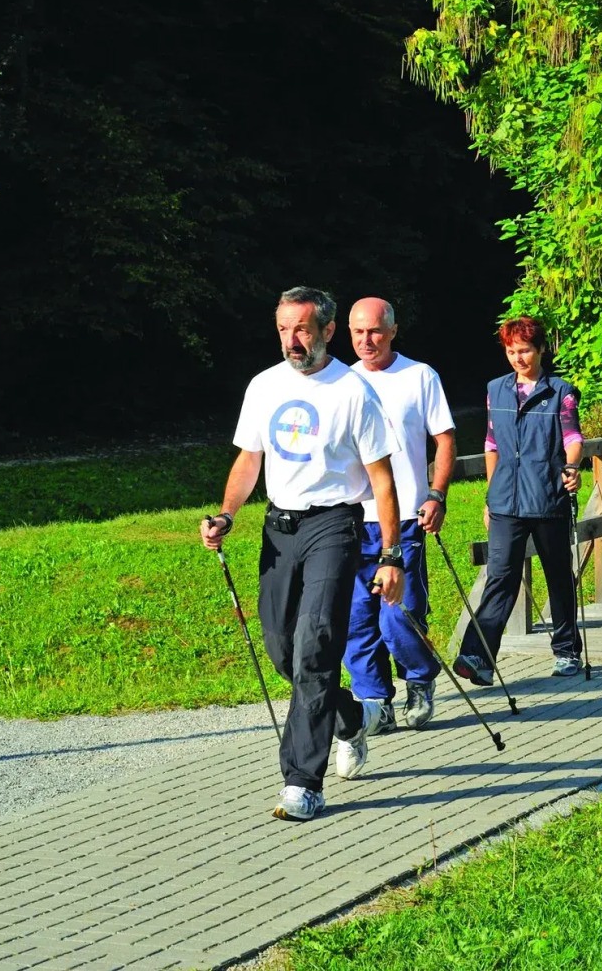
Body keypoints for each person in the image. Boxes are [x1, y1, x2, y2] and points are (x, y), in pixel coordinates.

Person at [201, 286, 404, 823]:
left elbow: (383, 482)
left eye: (302, 330)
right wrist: (227, 515)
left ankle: (301, 782)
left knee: (316, 646)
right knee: (282, 651)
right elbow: (250, 460)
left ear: (327, 331)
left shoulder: (354, 392)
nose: (292, 340)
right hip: (279, 528)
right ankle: (350, 717)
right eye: (284, 330)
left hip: (334, 526)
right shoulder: (264, 386)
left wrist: (391, 554)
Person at [344, 297, 456, 732]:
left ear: (392, 331)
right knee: (357, 618)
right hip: (352, 519)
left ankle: (419, 679)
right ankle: (375, 701)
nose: (365, 340)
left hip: (405, 517)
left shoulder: (419, 375)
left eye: (373, 331)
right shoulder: (340, 381)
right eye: (357, 332)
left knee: (399, 615)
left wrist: (437, 494)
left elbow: (444, 440)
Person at [456, 316, 585, 683]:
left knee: (558, 576)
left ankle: (566, 651)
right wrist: (490, 496)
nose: (518, 358)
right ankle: (478, 656)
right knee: (500, 577)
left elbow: (572, 437)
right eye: (511, 351)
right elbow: (492, 443)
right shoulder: (495, 389)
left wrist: (572, 466)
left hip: (547, 497)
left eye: (525, 350)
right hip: (505, 503)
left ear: (541, 349)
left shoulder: (561, 391)